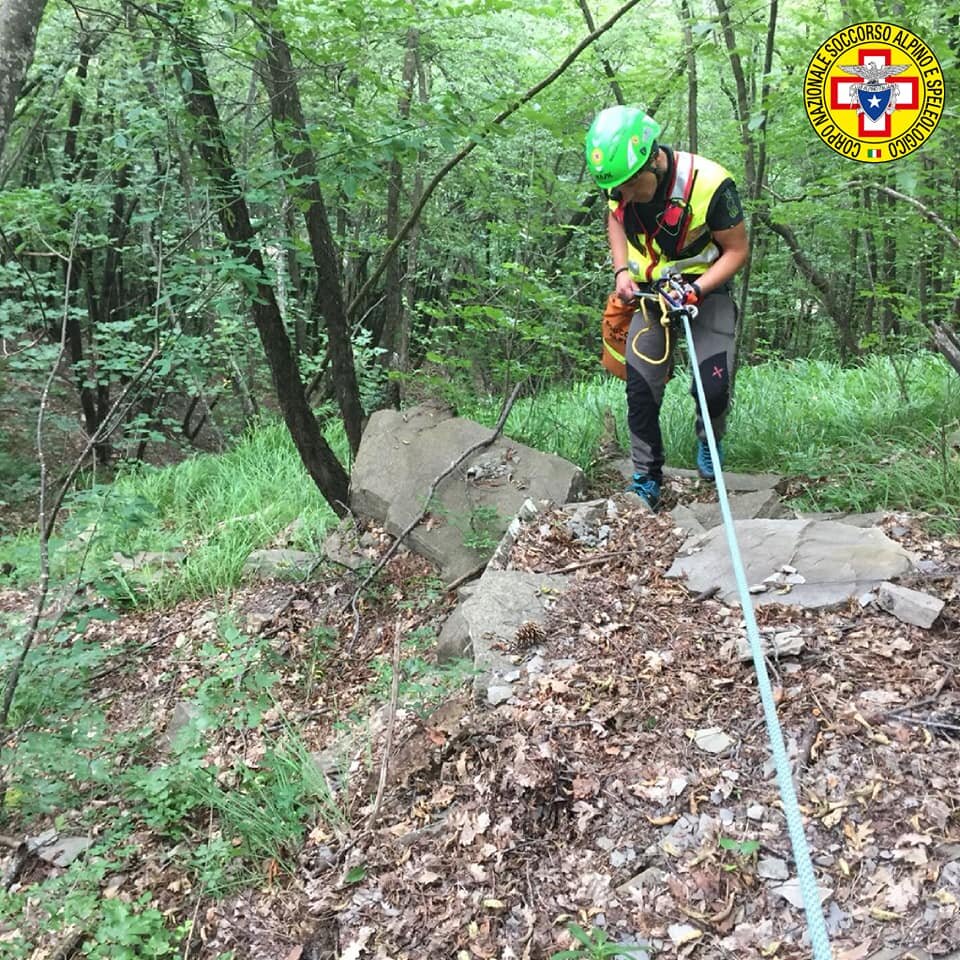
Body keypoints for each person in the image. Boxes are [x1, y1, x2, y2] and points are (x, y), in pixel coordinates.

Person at [584, 105, 749, 511]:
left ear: (653, 160)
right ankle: (646, 476)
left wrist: (697, 289)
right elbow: (616, 219)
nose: (621, 196)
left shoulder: (710, 184)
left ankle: (709, 441)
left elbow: (737, 250)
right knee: (640, 388)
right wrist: (622, 271)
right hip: (649, 292)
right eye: (616, 189)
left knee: (713, 384)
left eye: (629, 185)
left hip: (705, 287)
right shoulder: (619, 183)